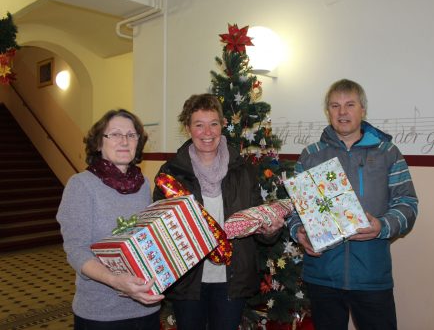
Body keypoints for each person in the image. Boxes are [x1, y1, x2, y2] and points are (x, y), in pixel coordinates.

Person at [287, 79, 418, 330]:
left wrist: (382, 226)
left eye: (350, 105)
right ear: (328, 111)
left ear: (363, 110)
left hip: (371, 276)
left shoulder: (388, 152)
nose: (342, 112)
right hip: (322, 275)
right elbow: (294, 208)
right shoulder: (310, 154)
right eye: (335, 106)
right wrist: (299, 232)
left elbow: (408, 203)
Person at [152, 93, 284, 330]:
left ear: (222, 125)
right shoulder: (172, 172)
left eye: (213, 124)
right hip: (188, 280)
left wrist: (270, 230)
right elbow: (160, 228)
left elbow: (257, 221)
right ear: (187, 128)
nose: (207, 132)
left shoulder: (242, 169)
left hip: (231, 280)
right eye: (199, 125)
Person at [56, 109, 164, 330]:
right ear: (98, 143)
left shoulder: (143, 183)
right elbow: (76, 250)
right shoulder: (81, 185)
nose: (124, 141)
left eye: (131, 135)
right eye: (114, 134)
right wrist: (116, 281)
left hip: (146, 306)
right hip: (101, 313)